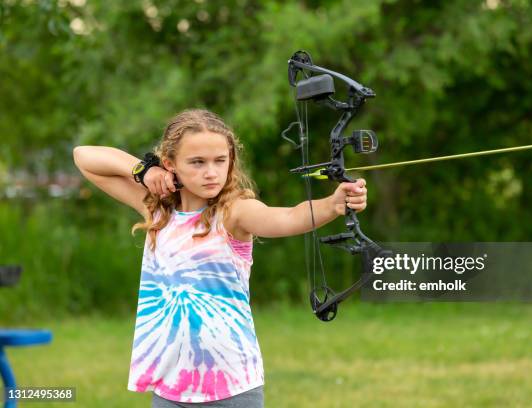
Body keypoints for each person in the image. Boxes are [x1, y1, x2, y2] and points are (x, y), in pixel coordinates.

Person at [72, 109, 368, 407]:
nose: (211, 172)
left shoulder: (234, 212)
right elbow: (84, 156)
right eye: (197, 162)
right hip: (170, 389)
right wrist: (145, 171)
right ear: (170, 165)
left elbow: (288, 217)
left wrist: (333, 204)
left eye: (219, 161)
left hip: (232, 388)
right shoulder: (158, 211)